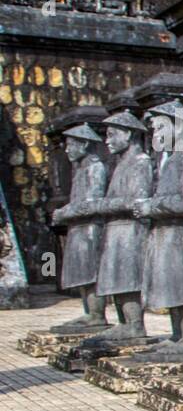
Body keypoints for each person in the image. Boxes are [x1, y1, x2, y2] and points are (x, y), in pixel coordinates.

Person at [133, 100, 183, 359]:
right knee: (172, 286)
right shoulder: (171, 158)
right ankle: (179, 336)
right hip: (168, 233)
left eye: (159, 129)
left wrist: (152, 206)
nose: (156, 136)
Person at [89, 110, 153, 341]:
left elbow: (137, 199)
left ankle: (135, 324)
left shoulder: (140, 162)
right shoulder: (121, 163)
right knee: (116, 277)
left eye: (112, 134)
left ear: (127, 134)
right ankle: (124, 322)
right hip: (116, 229)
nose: (107, 141)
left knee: (127, 278)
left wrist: (103, 205)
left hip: (130, 230)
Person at [49, 123, 109, 334]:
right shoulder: (81, 170)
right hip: (78, 227)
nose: (67, 150)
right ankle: (89, 312)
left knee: (90, 273)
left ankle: (97, 314)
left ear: (84, 144)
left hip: (90, 228)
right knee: (81, 273)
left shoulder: (95, 167)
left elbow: (92, 203)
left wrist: (65, 213)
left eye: (71, 145)